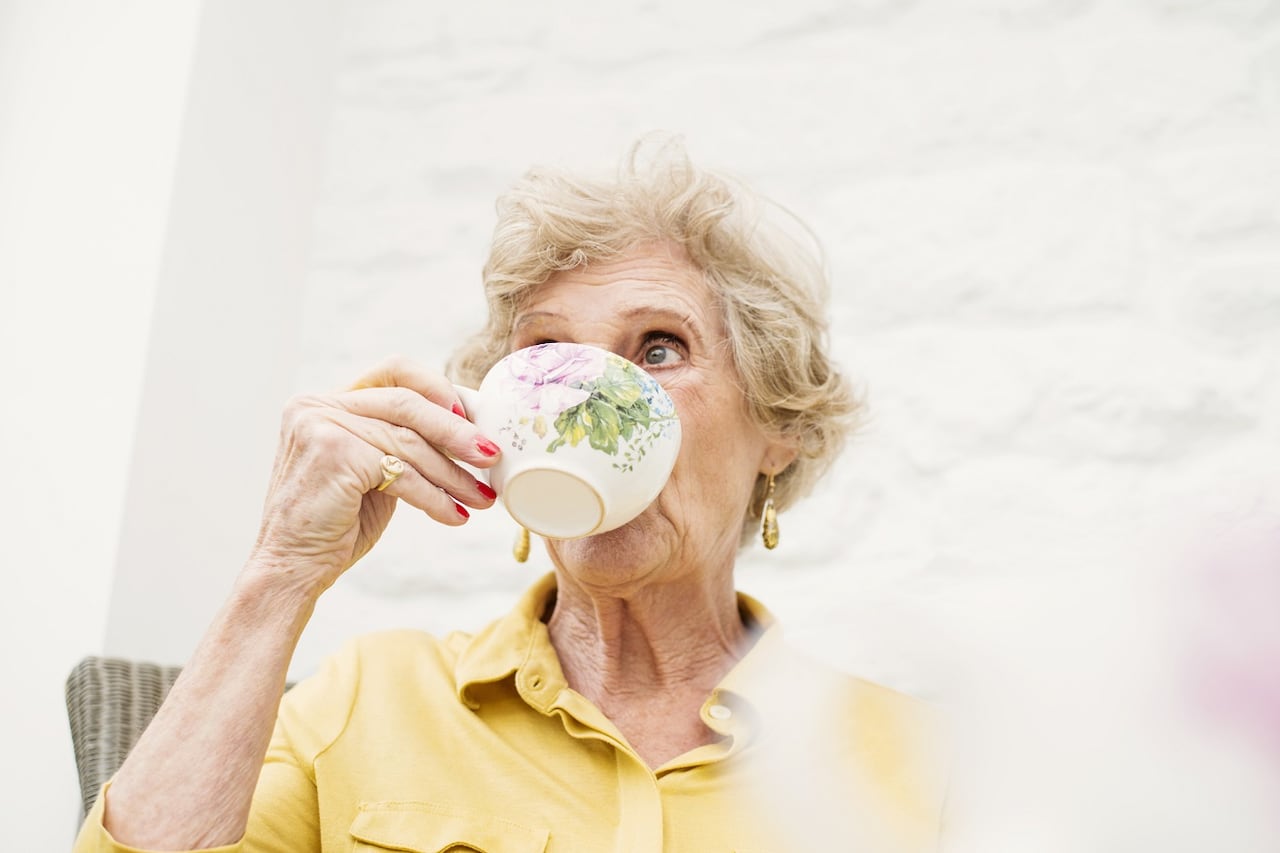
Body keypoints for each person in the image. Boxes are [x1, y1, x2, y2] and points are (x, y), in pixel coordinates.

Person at [74, 139, 948, 852]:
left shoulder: (920, 764)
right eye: (547, 354)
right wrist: (282, 569)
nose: (586, 403)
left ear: (776, 424)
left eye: (656, 350)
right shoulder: (368, 698)